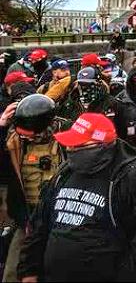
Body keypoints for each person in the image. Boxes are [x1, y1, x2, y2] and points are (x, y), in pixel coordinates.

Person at [17, 113, 136, 282]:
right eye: (69, 145)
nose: (70, 149)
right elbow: (40, 223)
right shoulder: (65, 172)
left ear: (101, 145)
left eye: (78, 145)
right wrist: (28, 269)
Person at [0, 94, 66, 282]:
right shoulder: (14, 142)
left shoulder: (66, 137)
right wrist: (1, 127)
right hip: (27, 219)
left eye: (28, 134)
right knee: (13, 272)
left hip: (60, 221)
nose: (24, 137)